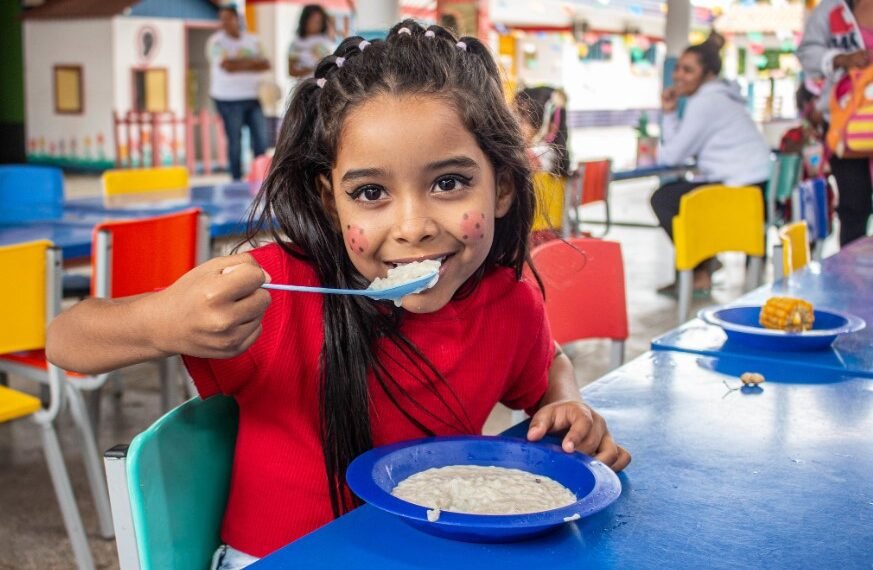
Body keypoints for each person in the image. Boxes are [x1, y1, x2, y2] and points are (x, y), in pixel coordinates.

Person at [46, 21, 630, 568]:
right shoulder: (276, 296)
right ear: (331, 201)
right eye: (371, 192)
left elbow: (546, 360)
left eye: (449, 183)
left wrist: (567, 399)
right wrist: (158, 322)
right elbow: (65, 341)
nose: (413, 226)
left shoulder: (505, 303)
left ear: (501, 186)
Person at [651, 39, 771, 293]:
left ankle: (699, 268)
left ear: (708, 74)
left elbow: (671, 157)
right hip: (756, 187)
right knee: (679, 194)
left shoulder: (705, 102)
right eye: (679, 68)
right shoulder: (725, 98)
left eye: (688, 70)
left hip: (739, 190)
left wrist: (669, 114)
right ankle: (703, 266)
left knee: (665, 199)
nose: (678, 76)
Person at [797, 0, 873, 246]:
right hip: (845, 124)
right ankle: (854, 280)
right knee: (853, 206)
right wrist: (840, 58)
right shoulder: (831, 9)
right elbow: (807, 53)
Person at [207, 6, 270, 181]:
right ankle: (236, 180)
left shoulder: (254, 40)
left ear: (238, 18)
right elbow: (227, 67)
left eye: (228, 18)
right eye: (222, 19)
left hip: (252, 96)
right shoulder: (216, 42)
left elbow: (266, 64)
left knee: (261, 140)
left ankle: (261, 177)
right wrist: (252, 63)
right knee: (234, 142)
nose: (225, 23)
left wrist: (238, 63)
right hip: (227, 99)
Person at [288, 4, 335, 79]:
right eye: (313, 20)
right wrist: (311, 70)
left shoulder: (324, 42)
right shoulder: (295, 43)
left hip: (321, 85)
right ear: (305, 20)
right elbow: (291, 71)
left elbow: (327, 65)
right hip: (303, 85)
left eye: (319, 21)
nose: (317, 24)